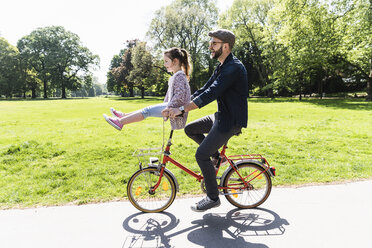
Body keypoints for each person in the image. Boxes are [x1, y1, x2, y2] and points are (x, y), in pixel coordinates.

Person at [162, 29, 248, 212]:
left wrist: (183, 109)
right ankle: (217, 157)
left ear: (225, 46)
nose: (210, 46)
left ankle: (212, 197)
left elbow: (211, 93)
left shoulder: (233, 67)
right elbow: (205, 88)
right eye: (210, 43)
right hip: (221, 116)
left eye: (214, 43)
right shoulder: (222, 66)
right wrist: (181, 104)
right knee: (190, 129)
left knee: (201, 154)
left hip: (230, 121)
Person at [103, 47, 191, 131]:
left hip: (176, 108)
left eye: (166, 61)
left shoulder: (180, 76)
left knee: (147, 111)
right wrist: (164, 107)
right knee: (146, 110)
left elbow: (179, 96)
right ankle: (124, 116)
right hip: (172, 106)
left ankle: (120, 122)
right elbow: (169, 96)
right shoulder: (176, 76)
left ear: (175, 61)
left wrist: (168, 107)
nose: (164, 64)